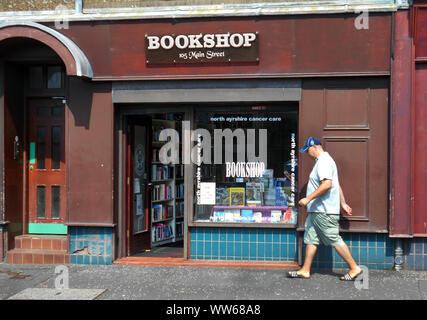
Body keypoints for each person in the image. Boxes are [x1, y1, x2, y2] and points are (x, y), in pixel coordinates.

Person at [288, 137, 362, 281]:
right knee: (311, 238)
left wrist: (308, 199)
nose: (307, 154)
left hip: (324, 210)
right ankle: (305, 270)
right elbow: (336, 184)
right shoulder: (324, 162)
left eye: (307, 150)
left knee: (333, 238)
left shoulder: (323, 162)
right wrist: (343, 203)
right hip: (317, 210)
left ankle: (354, 268)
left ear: (314, 147)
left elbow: (327, 184)